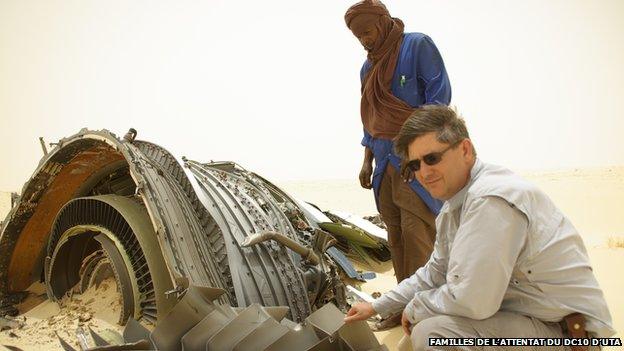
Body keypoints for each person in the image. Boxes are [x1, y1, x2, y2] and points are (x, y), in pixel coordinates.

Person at [344, 105, 615, 350]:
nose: (423, 172)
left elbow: (473, 301)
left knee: (433, 333)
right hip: (531, 322)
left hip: (569, 337)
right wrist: (376, 306)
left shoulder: (491, 199)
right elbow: (435, 272)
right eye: (414, 165)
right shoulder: (455, 207)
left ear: (465, 150)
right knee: (423, 328)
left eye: (432, 158)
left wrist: (416, 307)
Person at [344, 0, 451, 295]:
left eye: (367, 31)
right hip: (383, 163)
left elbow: (439, 98)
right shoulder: (368, 68)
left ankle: (424, 305)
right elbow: (371, 117)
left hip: (415, 162)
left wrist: (420, 152)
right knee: (396, 236)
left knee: (417, 233)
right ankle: (403, 302)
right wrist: (367, 160)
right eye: (358, 36)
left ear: (383, 21)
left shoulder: (417, 45)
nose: (365, 39)